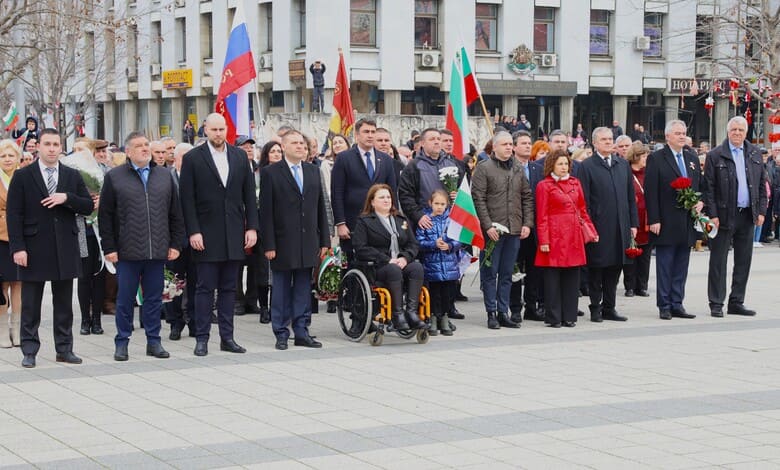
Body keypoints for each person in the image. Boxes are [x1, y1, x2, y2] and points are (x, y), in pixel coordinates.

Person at [6, 128, 94, 368]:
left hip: (65, 247)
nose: (52, 148)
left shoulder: (72, 175)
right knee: (31, 304)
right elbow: (14, 214)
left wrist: (67, 198)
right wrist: (18, 248)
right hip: (34, 248)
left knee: (64, 303)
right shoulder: (23, 176)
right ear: (38, 147)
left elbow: (87, 206)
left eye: (56, 144)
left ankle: (64, 349)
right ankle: (30, 350)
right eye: (48, 144)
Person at [98, 131, 185, 361]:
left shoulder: (164, 176)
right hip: (127, 251)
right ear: (128, 151)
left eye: (147, 145)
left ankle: (154, 341)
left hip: (157, 250)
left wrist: (175, 243)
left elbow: (175, 213)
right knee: (125, 299)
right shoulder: (115, 177)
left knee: (154, 299)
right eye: (139, 146)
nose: (145, 149)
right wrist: (109, 248)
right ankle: (122, 342)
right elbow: (105, 216)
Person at [179, 113, 258, 356]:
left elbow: (249, 196)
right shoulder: (193, 158)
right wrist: (193, 231)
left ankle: (228, 338)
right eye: (213, 129)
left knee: (228, 289)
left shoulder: (238, 156)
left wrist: (252, 227)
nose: (218, 134)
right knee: (204, 288)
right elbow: (187, 199)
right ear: (205, 129)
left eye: (222, 129)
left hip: (234, 233)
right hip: (205, 234)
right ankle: (201, 338)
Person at [260, 130, 329, 350]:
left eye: (302, 143)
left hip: (307, 240)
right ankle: (281, 332)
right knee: (280, 288)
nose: (300, 146)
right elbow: (266, 212)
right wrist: (269, 244)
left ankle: (302, 330)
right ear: (284, 146)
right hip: (282, 241)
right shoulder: (271, 172)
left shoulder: (312, 171)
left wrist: (324, 241)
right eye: (295, 143)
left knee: (302, 287)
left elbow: (320, 208)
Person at [703, 116, 767, 318]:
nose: (737, 133)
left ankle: (736, 301)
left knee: (743, 261)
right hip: (723, 216)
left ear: (746, 132)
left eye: (741, 130)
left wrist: (762, 211)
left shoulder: (755, 153)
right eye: (734, 130)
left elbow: (761, 186)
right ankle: (716, 302)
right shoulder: (716, 155)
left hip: (747, 215)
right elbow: (709, 188)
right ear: (728, 132)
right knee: (718, 260)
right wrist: (712, 214)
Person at [472, 131, 534, 329]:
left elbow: (527, 197)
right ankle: (491, 312)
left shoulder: (517, 168)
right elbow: (478, 199)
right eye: (505, 144)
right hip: (493, 231)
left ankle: (503, 311)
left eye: (510, 144)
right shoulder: (484, 168)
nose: (508, 147)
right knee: (490, 273)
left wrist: (527, 223)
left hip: (514, 230)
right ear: (495, 147)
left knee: (508, 273)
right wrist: (487, 225)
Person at [578, 126, 638, 323]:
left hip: (621, 226)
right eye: (603, 139)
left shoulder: (622, 164)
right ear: (594, 143)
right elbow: (583, 201)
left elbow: (631, 197)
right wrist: (588, 226)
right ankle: (595, 307)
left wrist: (633, 223)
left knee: (615, 268)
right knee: (597, 268)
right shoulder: (587, 166)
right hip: (598, 226)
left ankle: (609, 307)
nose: (608, 142)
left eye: (610, 139)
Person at [644, 122, 702, 320]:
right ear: (667, 136)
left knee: (681, 265)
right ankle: (665, 304)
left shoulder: (692, 158)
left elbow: (700, 187)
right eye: (677, 133)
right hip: (666, 220)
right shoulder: (657, 158)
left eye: (684, 133)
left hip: (687, 221)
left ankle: (677, 302)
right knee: (665, 264)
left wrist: (700, 203)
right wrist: (654, 218)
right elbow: (651, 191)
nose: (681, 136)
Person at [352, 184, 427, 332]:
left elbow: (413, 244)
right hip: (377, 266)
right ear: (372, 202)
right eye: (381, 197)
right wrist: (386, 259)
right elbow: (361, 248)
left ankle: (411, 312)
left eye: (388, 197)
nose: (386, 200)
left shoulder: (400, 219)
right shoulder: (365, 221)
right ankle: (397, 314)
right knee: (393, 270)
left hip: (400, 262)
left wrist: (405, 258)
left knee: (417, 268)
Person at [535, 150, 594, 328]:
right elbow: (542, 215)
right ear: (551, 165)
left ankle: (569, 316)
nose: (563, 167)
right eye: (560, 164)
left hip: (573, 235)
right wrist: (544, 240)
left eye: (566, 164)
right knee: (553, 278)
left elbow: (582, 209)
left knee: (572, 277)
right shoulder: (544, 186)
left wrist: (590, 229)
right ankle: (554, 317)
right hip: (554, 235)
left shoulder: (576, 183)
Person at [331, 118, 397, 260]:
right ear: (357, 134)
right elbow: (337, 193)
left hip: (381, 222)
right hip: (353, 222)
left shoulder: (385, 159)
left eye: (373, 132)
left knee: (381, 262)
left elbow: (392, 191)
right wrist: (341, 223)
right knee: (352, 263)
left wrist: (394, 218)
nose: (370, 135)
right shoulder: (344, 158)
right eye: (366, 132)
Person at [509, 130, 545, 323]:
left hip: (535, 229)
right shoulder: (508, 168)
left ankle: (531, 307)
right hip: (514, 228)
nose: (527, 146)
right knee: (515, 269)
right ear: (514, 147)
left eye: (529, 143)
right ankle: (515, 308)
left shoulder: (538, 169)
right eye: (523, 143)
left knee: (534, 269)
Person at [415, 189, 462, 336]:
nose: (439, 207)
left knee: (448, 294)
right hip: (432, 265)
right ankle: (433, 317)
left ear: (447, 204)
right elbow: (419, 242)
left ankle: (445, 317)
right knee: (434, 294)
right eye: (436, 203)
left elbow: (459, 239)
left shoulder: (452, 220)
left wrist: (450, 246)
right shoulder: (426, 220)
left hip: (449, 266)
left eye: (442, 204)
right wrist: (433, 244)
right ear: (430, 203)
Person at [165, 142, 196, 340]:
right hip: (172, 241)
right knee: (172, 284)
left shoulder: (199, 178)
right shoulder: (165, 178)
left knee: (196, 283)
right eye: (184, 157)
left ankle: (194, 320)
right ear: (175, 158)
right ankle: (175, 323)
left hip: (195, 240)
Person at [254, 141, 284, 325]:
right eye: (273, 151)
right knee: (263, 271)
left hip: (281, 228)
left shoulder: (284, 172)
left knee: (277, 272)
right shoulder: (258, 174)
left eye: (279, 151)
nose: (276, 154)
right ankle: (263, 307)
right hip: (262, 226)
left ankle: (276, 307)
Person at [622, 142, 652, 298]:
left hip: (646, 218)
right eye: (643, 155)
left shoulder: (649, 172)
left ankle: (642, 286)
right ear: (635, 156)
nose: (646, 158)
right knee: (631, 254)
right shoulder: (626, 171)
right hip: (632, 217)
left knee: (645, 255)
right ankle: (630, 286)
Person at [0, 140, 22, 348]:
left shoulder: (24, 177)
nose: (7, 159)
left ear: (17, 158)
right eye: (3, 156)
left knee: (19, 284)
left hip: (21, 238)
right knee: (2, 284)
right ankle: (2, 330)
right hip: (0, 238)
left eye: (10, 155)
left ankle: (17, 329)